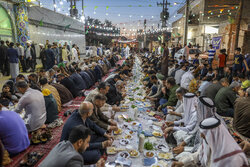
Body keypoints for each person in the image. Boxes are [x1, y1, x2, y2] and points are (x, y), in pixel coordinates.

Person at [171, 117, 249, 167]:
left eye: (204, 133)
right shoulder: (209, 141)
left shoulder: (231, 157)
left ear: (213, 134)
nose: (201, 136)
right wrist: (182, 163)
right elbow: (198, 155)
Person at [39, 125, 105, 167]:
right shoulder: (74, 158)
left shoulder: (62, 144)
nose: (88, 145)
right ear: (80, 142)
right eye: (87, 142)